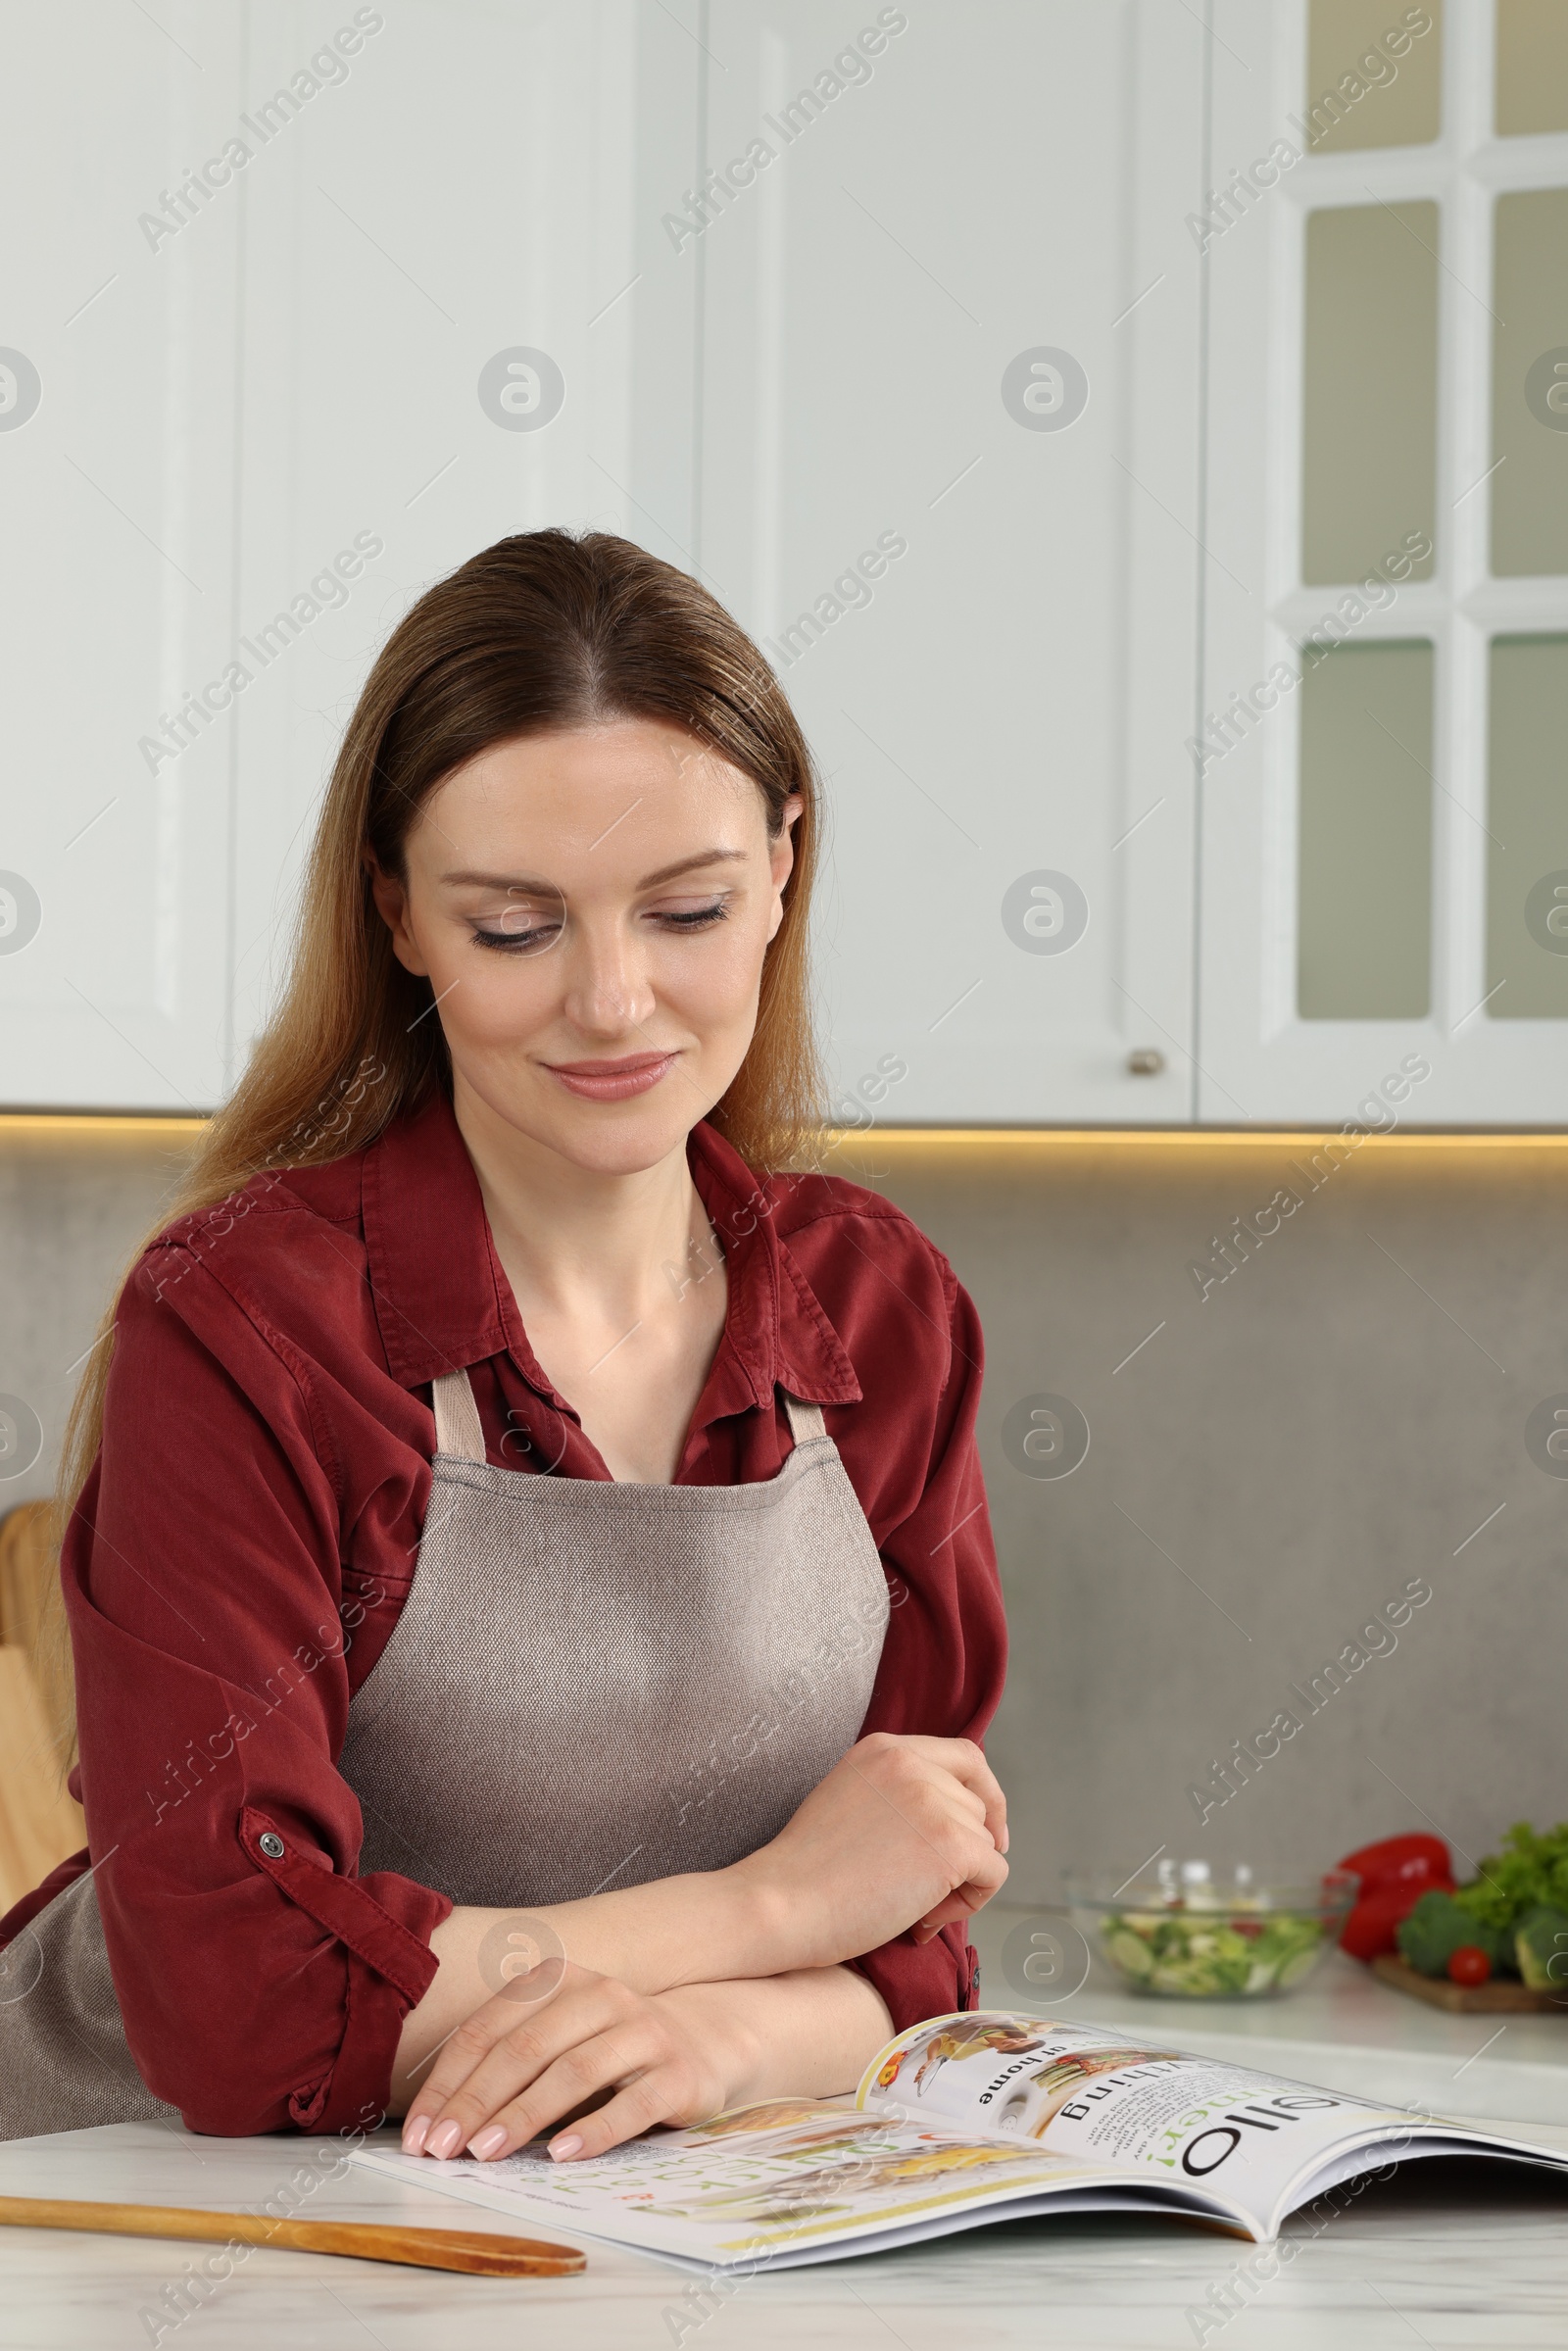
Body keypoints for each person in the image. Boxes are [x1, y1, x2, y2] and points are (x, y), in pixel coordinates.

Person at [0, 530, 1008, 2164]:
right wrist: (771, 1902)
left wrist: (716, 2037)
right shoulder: (246, 1330)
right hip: (133, 2204)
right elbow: (241, 2009)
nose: (613, 1004)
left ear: (783, 868)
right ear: (398, 914)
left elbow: (914, 1929)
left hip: (612, 2205)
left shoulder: (879, 1309)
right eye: (514, 928)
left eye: (685, 908)